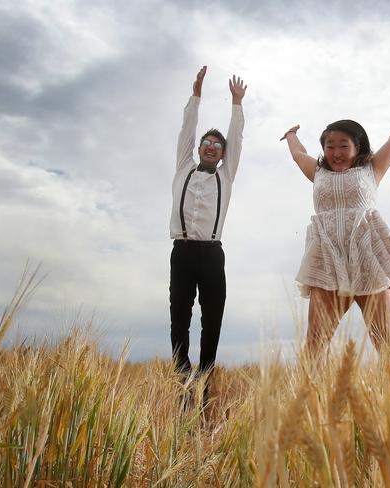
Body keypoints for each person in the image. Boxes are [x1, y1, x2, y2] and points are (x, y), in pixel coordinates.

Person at [281, 105, 390, 357]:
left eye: (343, 145)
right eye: (329, 146)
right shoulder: (318, 172)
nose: (336, 152)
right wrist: (291, 134)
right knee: (313, 347)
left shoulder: (372, 169)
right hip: (328, 260)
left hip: (370, 259)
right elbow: (298, 154)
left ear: (357, 147)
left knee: (388, 348)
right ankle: (313, 397)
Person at [169, 66, 247, 393]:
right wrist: (196, 95)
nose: (211, 146)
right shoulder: (183, 167)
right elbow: (187, 128)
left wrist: (237, 103)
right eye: (206, 142)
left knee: (211, 318)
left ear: (223, 154)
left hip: (212, 254)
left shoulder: (225, 176)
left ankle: (206, 376)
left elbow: (237, 137)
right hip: (183, 252)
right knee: (180, 316)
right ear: (199, 147)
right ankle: (181, 375)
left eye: (217, 144)